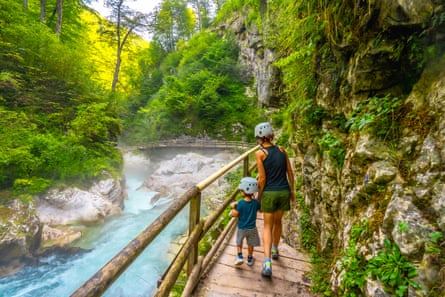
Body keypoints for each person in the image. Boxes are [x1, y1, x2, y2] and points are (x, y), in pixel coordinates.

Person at [254, 122, 295, 277]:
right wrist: (292, 191)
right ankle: (275, 249)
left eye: (257, 137)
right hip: (284, 191)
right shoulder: (281, 150)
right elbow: (290, 172)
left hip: (269, 194)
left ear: (261, 137)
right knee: (278, 223)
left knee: (267, 226)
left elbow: (262, 178)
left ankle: (267, 262)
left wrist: (258, 197)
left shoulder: (260, 154)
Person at [230, 176, 261, 267]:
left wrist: (233, 208)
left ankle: (239, 256)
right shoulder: (256, 203)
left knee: (239, 242)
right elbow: (260, 210)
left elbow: (235, 214)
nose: (240, 192)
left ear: (244, 191)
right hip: (252, 228)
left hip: (242, 228)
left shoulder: (240, 203)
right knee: (250, 244)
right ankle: (250, 259)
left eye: (241, 190)